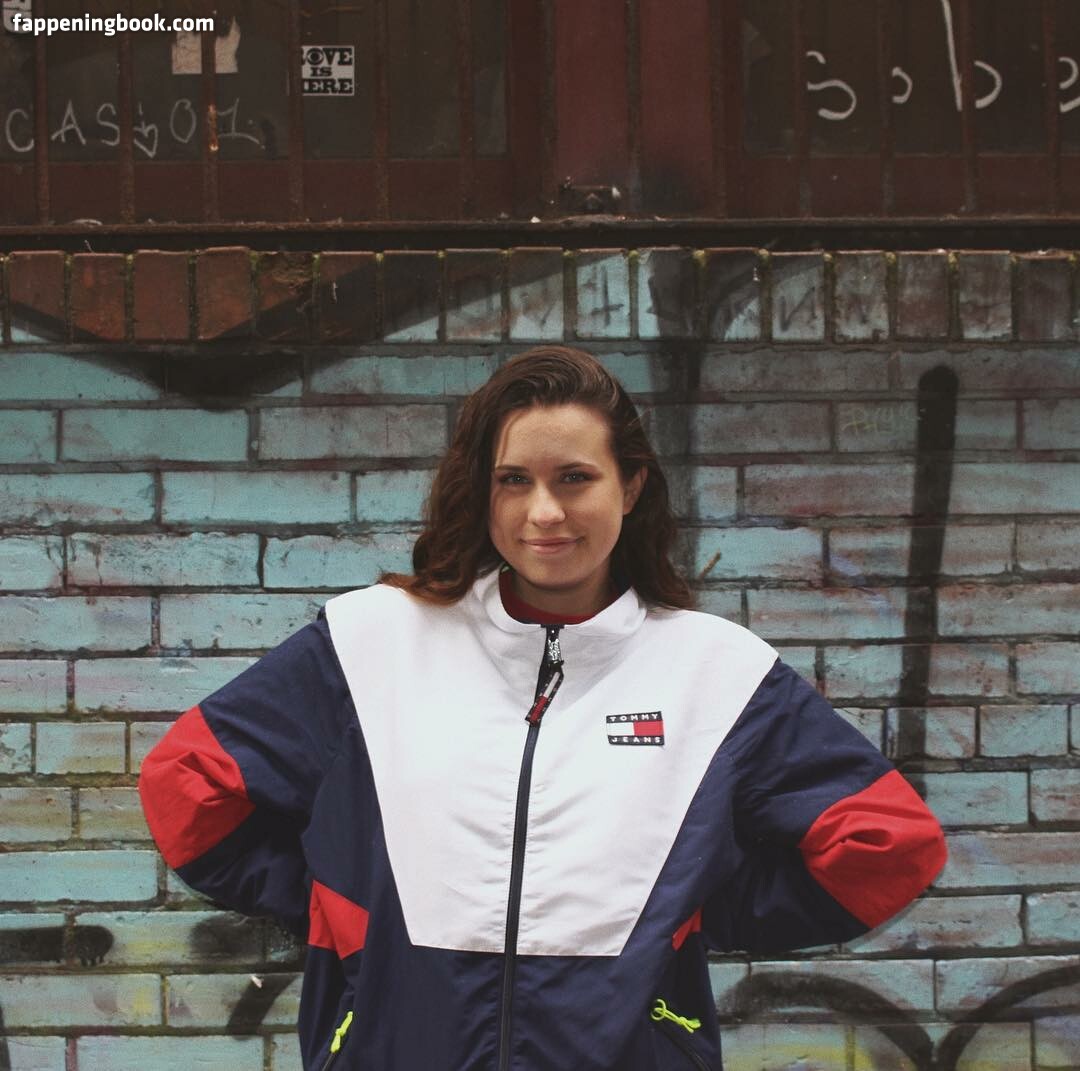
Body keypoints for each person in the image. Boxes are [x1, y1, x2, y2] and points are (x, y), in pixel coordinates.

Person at [139, 345, 947, 1071]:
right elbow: (187, 784)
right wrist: (351, 911)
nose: (544, 513)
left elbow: (891, 845)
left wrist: (688, 912)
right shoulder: (372, 641)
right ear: (482, 491)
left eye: (574, 478)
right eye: (514, 480)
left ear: (630, 485)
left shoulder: (713, 672)